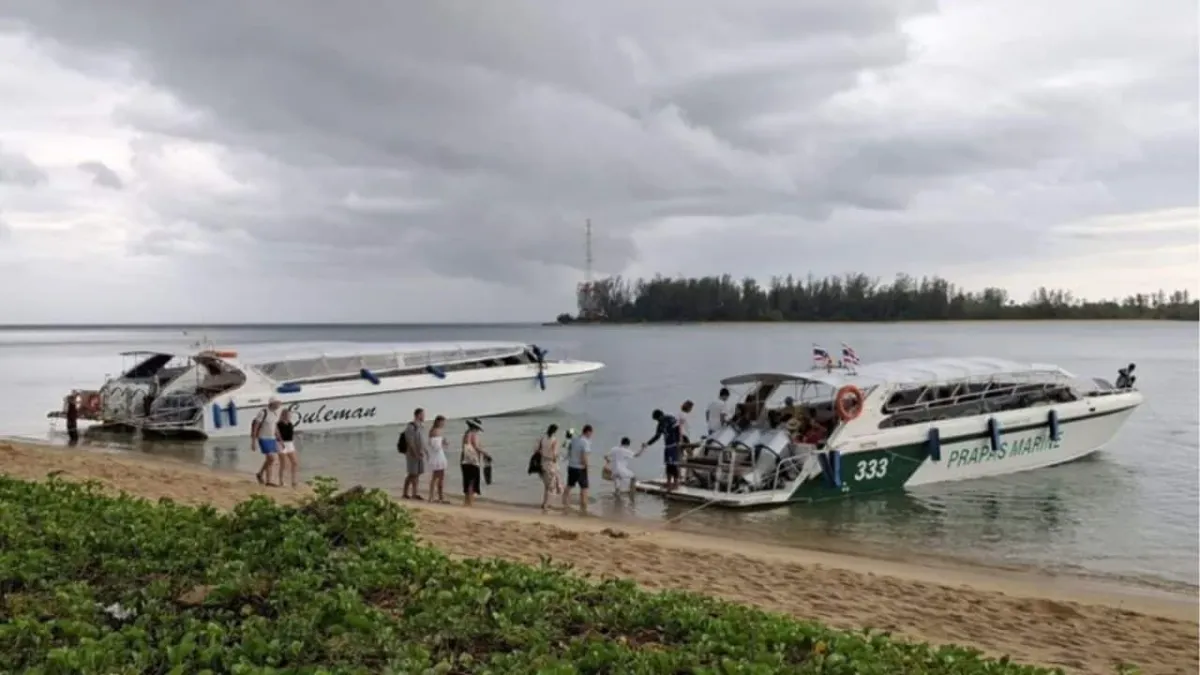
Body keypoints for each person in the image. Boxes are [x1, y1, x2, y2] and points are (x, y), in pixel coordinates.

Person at [643, 409, 683, 490]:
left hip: (674, 445)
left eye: (658, 419)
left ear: (661, 415)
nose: (658, 421)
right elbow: (657, 436)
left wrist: (679, 441)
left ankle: (676, 483)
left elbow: (678, 428)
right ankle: (668, 482)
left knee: (673, 465)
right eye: (656, 420)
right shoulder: (660, 424)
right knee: (668, 465)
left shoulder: (670, 419)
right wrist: (647, 443)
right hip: (667, 446)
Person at [250, 397, 283, 486]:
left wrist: (279, 439)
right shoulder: (263, 412)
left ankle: (264, 477)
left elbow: (275, 427)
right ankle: (265, 478)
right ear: (272, 403)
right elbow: (256, 426)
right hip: (263, 438)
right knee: (271, 458)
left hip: (272, 438)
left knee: (269, 459)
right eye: (278, 403)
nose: (279, 405)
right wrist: (253, 441)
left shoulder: (275, 414)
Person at [563, 424, 594, 510]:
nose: (591, 436)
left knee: (569, 485)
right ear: (588, 432)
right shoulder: (585, 442)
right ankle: (584, 507)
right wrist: (586, 466)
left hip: (571, 466)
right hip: (580, 467)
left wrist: (571, 430)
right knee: (584, 488)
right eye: (591, 434)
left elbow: (566, 443)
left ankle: (565, 503)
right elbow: (584, 456)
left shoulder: (574, 439)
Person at [460, 418, 489, 506]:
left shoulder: (466, 434)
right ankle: (470, 503)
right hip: (472, 461)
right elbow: (475, 446)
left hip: (464, 460)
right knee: (472, 481)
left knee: (467, 480)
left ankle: (466, 502)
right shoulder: (473, 434)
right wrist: (485, 453)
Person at [400, 408, 427, 500]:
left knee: (417, 474)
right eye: (423, 414)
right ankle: (407, 493)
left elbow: (421, 441)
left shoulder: (420, 426)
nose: (424, 416)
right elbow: (410, 442)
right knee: (412, 473)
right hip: (412, 454)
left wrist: (424, 451)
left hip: (419, 453)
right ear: (418, 415)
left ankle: (414, 493)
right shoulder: (411, 427)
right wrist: (415, 453)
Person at [535, 423, 562, 511]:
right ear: (555, 431)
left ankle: (545, 503)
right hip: (550, 463)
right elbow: (554, 454)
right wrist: (555, 459)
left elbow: (536, 450)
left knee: (547, 485)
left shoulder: (542, 438)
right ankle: (546, 505)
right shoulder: (554, 440)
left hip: (542, 463)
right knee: (551, 486)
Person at [426, 415, 449, 503]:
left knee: (439, 477)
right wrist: (443, 444)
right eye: (442, 422)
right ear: (438, 422)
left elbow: (436, 444)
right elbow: (435, 446)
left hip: (438, 455)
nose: (443, 424)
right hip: (437, 457)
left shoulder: (436, 431)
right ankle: (434, 497)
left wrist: (443, 441)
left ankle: (438, 497)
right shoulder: (435, 431)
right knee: (436, 477)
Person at [277, 408, 299, 487]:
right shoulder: (279, 424)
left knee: (295, 462)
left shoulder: (290, 423)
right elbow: (277, 434)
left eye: (290, 415)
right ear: (284, 415)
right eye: (288, 415)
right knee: (283, 463)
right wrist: (281, 441)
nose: (289, 416)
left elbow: (291, 433)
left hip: (289, 443)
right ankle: (281, 481)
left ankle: (294, 480)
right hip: (281, 443)